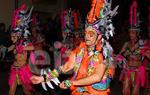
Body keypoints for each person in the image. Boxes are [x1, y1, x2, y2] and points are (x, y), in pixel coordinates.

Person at [30, 0, 118, 95]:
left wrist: (72, 82)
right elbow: (65, 68)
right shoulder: (81, 50)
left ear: (99, 36)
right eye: (86, 33)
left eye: (91, 34)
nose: (87, 36)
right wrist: (43, 78)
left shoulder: (105, 53)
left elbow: (97, 77)